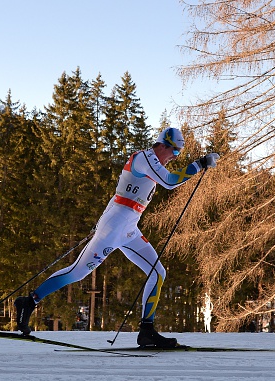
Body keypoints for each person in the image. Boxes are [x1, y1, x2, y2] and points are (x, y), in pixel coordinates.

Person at [15, 127, 219, 348]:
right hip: (114, 227)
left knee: (158, 272)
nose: (174, 157)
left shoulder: (153, 162)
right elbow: (169, 181)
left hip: (128, 227)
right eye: (175, 152)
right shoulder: (145, 158)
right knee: (78, 272)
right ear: (163, 145)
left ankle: (147, 331)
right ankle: (29, 301)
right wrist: (199, 164)